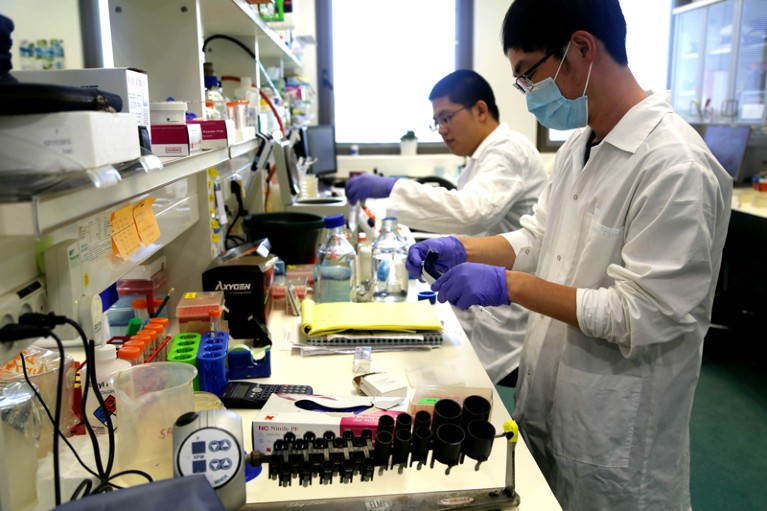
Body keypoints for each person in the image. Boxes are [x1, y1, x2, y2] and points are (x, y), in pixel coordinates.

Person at [406, 1, 732, 509]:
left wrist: (508, 285)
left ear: (581, 48)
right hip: (550, 405)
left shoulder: (676, 166)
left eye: (528, 74)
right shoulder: (578, 146)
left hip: (617, 438)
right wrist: (460, 247)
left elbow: (640, 313)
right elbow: (539, 237)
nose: (528, 92)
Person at [345, 69, 547, 385]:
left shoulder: (508, 149)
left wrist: (392, 186)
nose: (441, 129)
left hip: (509, 325)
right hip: (486, 315)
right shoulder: (479, 159)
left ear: (481, 110)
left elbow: (471, 211)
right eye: (436, 122)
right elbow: (470, 218)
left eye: (446, 118)